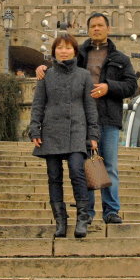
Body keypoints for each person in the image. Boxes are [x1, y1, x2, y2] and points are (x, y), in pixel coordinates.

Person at [37, 12, 137, 224]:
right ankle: (88, 212)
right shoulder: (80, 53)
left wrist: (109, 87)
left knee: (108, 166)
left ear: (108, 29)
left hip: (108, 117)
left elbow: (131, 86)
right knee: (85, 166)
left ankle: (111, 210)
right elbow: (61, 66)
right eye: (93, 26)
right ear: (88, 29)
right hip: (80, 119)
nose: (96, 29)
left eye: (100, 25)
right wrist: (43, 68)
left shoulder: (121, 59)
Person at [29, 33, 99, 238]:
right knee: (54, 176)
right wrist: (35, 129)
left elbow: (90, 107)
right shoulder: (46, 75)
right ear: (54, 52)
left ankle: (82, 219)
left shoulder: (84, 75)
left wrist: (93, 134)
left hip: (77, 129)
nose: (64, 51)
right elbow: (38, 104)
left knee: (77, 171)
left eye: (68, 47)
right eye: (59, 47)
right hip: (51, 130)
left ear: (75, 51)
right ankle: (60, 221)